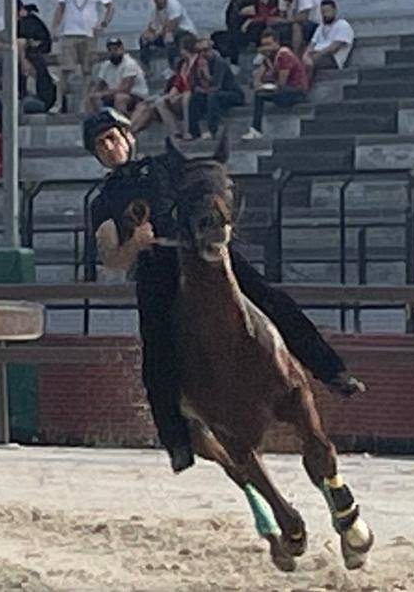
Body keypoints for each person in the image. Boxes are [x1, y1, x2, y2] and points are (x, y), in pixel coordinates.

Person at [82, 108, 366, 473]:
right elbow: (111, 258)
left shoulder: (167, 165)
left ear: (128, 135)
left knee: (271, 299)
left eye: (113, 137)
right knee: (156, 349)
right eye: (100, 144)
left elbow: (206, 186)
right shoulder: (104, 198)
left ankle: (332, 372)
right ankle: (177, 440)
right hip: (156, 268)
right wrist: (135, 244)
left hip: (203, 251)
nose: (109, 147)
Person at [51, 0, 114, 113]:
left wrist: (104, 23)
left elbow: (110, 7)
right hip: (69, 34)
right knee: (65, 70)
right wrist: (54, 28)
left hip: (89, 35)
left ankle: (83, 104)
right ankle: (58, 103)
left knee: (87, 71)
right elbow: (60, 8)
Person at [242, 29, 309, 140]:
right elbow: (257, 78)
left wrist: (265, 85)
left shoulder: (284, 55)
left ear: (277, 43)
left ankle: (256, 129)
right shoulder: (269, 57)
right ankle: (255, 129)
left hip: (296, 91)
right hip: (284, 91)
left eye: (269, 44)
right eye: (263, 45)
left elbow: (282, 83)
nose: (266, 48)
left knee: (260, 95)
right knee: (259, 94)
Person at [131, 34, 198, 138]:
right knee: (148, 106)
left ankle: (182, 131)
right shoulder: (182, 64)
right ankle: (132, 131)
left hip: (192, 95)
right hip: (178, 95)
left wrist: (171, 96)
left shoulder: (199, 62)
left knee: (159, 103)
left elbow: (194, 83)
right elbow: (178, 83)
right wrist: (170, 95)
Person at [187, 39, 245, 140]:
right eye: (198, 51)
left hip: (232, 93)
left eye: (205, 50)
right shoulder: (197, 64)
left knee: (213, 96)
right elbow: (194, 86)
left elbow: (216, 86)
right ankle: (194, 132)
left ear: (211, 49)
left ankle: (212, 130)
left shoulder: (219, 62)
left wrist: (206, 74)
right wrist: (200, 77)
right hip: (212, 93)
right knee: (194, 98)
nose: (202, 54)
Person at [87, 37, 149, 115]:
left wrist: (103, 94)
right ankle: (98, 122)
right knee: (92, 98)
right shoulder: (106, 65)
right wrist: (93, 94)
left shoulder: (130, 64)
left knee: (120, 98)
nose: (113, 52)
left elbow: (125, 88)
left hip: (136, 96)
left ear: (122, 49)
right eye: (110, 50)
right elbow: (101, 84)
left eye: (115, 49)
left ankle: (123, 124)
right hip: (113, 94)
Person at [139, 0, 198, 75]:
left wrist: (156, 35)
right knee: (143, 39)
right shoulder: (154, 8)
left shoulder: (173, 4)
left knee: (169, 37)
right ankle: (146, 68)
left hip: (185, 32)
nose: (158, 0)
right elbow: (151, 26)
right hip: (163, 33)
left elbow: (173, 25)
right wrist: (148, 35)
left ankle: (173, 68)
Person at [302, 0, 354, 79]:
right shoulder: (321, 27)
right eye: (323, 12)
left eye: (327, 11)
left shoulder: (343, 25)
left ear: (334, 10)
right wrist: (306, 55)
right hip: (315, 55)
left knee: (307, 64)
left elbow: (334, 48)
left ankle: (303, 88)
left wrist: (314, 56)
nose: (325, 14)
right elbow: (312, 44)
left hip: (332, 59)